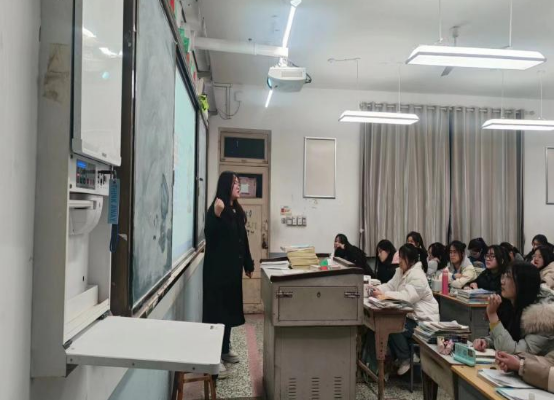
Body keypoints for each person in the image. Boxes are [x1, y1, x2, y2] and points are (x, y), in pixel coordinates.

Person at [203, 172, 254, 380]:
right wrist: (216, 216)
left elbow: (243, 239)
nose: (238, 186)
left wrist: (248, 263)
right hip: (217, 273)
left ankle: (224, 349)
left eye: (239, 183)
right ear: (226, 185)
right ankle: (213, 358)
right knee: (217, 315)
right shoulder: (217, 208)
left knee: (229, 313)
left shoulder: (237, 210)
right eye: (234, 183)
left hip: (232, 273)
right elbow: (210, 235)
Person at [373, 244, 440, 376]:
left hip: (423, 321)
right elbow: (390, 286)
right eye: (399, 258)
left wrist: (384, 295)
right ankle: (401, 357)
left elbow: (407, 297)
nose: (399, 261)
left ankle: (406, 358)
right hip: (411, 317)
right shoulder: (401, 271)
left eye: (402, 259)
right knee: (385, 323)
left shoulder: (418, 276)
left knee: (391, 325)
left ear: (411, 260)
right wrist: (378, 289)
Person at [473, 262, 554, 356]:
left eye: (508, 277)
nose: (502, 282)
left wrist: (492, 315)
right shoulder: (511, 304)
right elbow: (506, 336)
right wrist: (486, 342)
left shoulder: (543, 318)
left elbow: (516, 352)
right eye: (503, 276)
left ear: (523, 283)